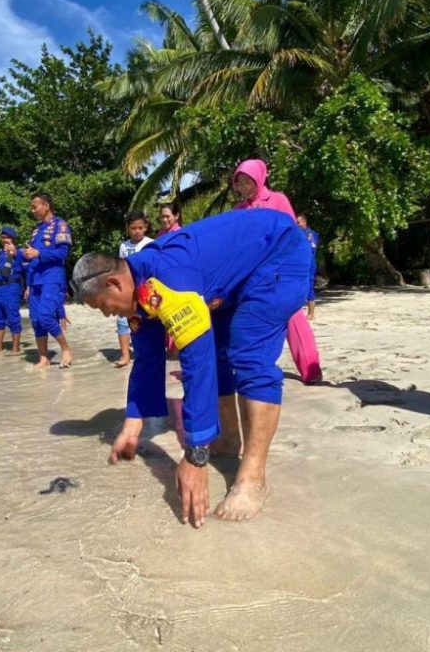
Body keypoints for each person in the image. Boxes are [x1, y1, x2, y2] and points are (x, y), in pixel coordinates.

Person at [70, 209, 311, 528]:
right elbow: (147, 359)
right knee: (220, 353)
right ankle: (226, 440)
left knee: (249, 356)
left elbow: (196, 361)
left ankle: (253, 477)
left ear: (114, 283)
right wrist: (133, 423)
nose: (105, 315)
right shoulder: (139, 290)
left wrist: (196, 454)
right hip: (233, 277)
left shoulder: (167, 281)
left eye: (102, 306)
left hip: (279, 252)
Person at [232, 159, 322, 384]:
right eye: (239, 183)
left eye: (248, 182)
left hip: (282, 272)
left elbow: (291, 234)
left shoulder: (278, 200)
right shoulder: (238, 210)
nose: (244, 188)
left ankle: (311, 370)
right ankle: (253, 369)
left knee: (293, 317)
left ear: (260, 178)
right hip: (252, 276)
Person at [7, 193, 73, 369]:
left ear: (46, 206)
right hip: (35, 281)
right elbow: (30, 254)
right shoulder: (36, 229)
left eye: (34, 206)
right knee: (36, 320)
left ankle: (66, 349)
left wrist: (39, 253)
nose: (32, 210)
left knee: (45, 315)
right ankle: (44, 358)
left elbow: (62, 253)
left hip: (52, 278)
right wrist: (17, 252)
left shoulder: (61, 225)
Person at [115, 210, 154, 367]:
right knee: (122, 321)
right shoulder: (124, 246)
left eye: (140, 227)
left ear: (145, 227)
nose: (136, 231)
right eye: (133, 228)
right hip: (128, 290)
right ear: (127, 229)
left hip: (146, 289)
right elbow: (120, 267)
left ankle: (144, 352)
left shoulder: (151, 244)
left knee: (144, 320)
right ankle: (125, 355)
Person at [297, 214, 320, 320]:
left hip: (306, 263)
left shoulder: (301, 233)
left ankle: (311, 314)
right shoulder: (314, 234)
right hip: (307, 263)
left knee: (308, 287)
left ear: (304, 222)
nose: (296, 225)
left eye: (298, 223)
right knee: (301, 287)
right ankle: (306, 313)